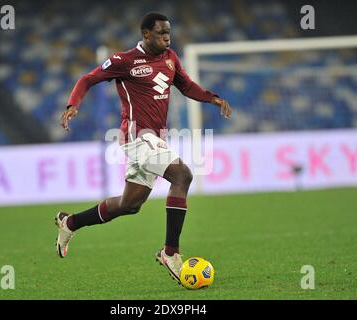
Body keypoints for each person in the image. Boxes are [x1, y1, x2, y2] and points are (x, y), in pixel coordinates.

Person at [56, 12, 232, 284]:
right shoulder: (123, 61)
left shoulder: (170, 57)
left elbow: (186, 86)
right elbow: (87, 79)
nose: (167, 37)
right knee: (182, 175)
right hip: (137, 137)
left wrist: (213, 98)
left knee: (130, 205)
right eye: (161, 32)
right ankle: (170, 252)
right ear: (146, 33)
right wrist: (72, 105)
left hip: (155, 139)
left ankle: (70, 223)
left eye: (169, 32)